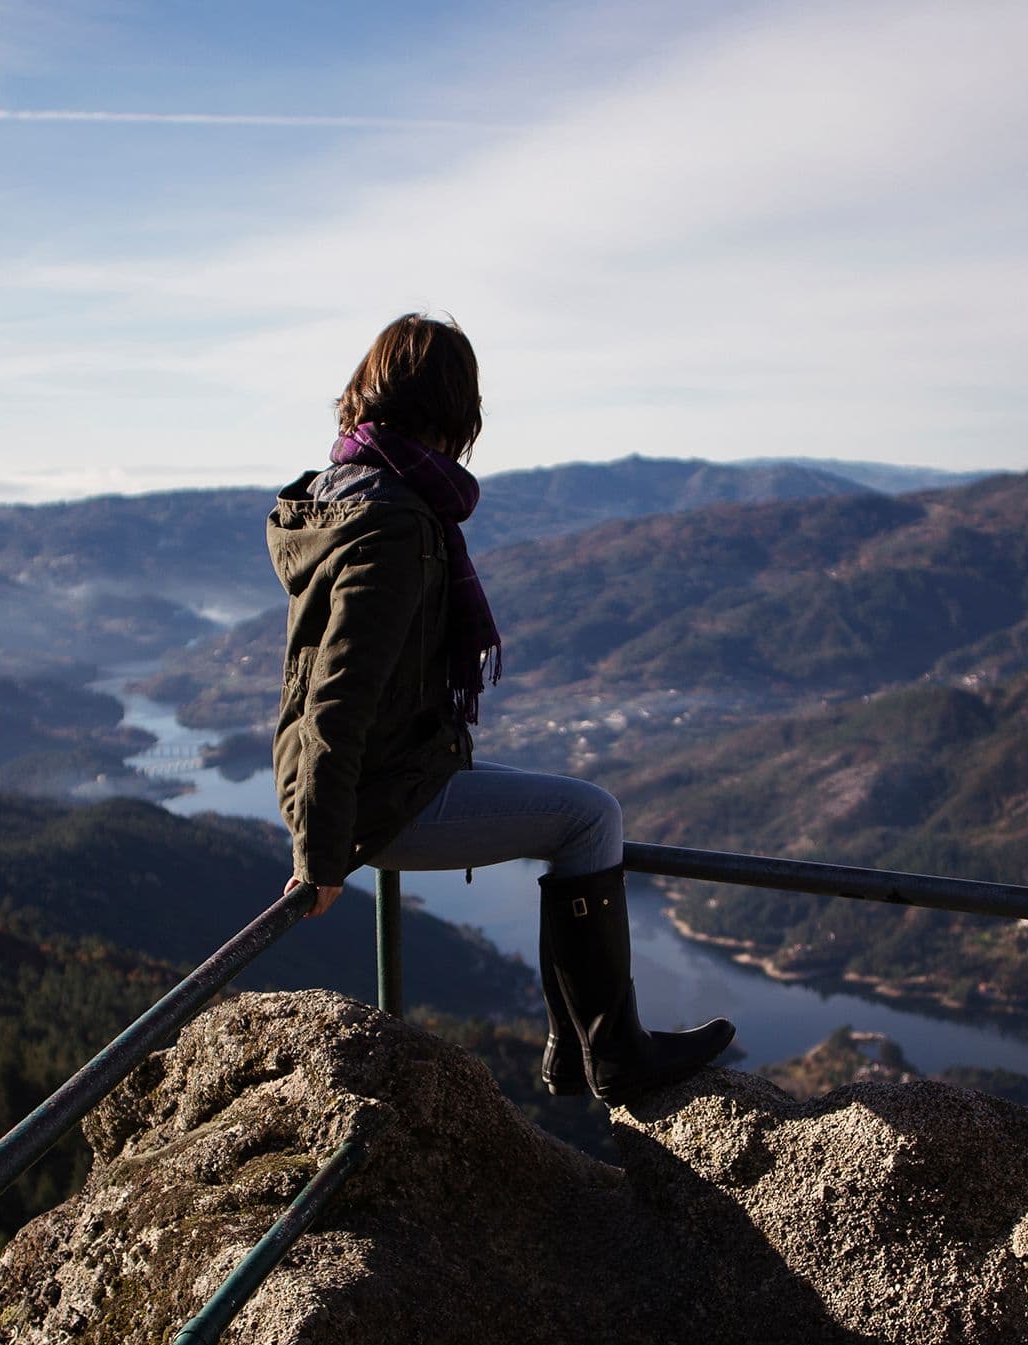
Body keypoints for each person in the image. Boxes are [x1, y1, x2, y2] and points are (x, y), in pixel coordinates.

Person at [270, 313, 734, 1103]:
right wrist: (318, 859)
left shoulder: (336, 497)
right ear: (454, 411)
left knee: (577, 813)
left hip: (369, 782)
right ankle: (609, 1051)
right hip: (377, 801)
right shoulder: (394, 524)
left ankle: (575, 1049)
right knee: (589, 817)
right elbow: (338, 697)